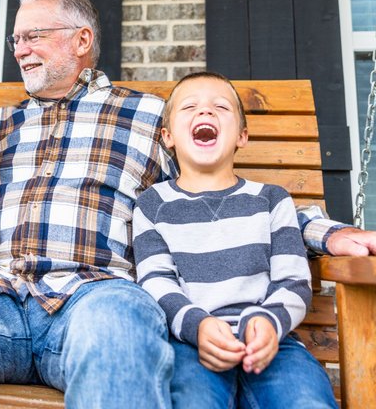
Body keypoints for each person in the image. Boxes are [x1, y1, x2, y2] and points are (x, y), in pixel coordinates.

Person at [0, 0, 376, 407]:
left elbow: (221, 189)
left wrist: (331, 232)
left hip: (97, 296)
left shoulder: (145, 117)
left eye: (32, 36)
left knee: (120, 330)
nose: (19, 50)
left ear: (81, 41)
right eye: (15, 39)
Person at [132, 72, 337, 408]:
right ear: (168, 136)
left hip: (273, 342)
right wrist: (198, 326)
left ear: (242, 135)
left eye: (220, 107)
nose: (205, 113)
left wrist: (268, 322)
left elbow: (294, 280)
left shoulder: (271, 200)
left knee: (305, 401)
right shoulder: (153, 205)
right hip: (191, 344)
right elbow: (157, 283)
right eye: (190, 107)